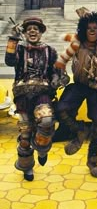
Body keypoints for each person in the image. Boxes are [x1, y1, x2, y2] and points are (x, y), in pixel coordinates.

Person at [54, 11, 97, 178]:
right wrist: (61, 74)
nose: (92, 31)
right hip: (79, 85)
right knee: (61, 108)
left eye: (95, 28)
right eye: (89, 28)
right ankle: (80, 131)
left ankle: (93, 159)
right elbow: (61, 61)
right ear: (83, 30)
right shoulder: (77, 44)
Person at [5, 17, 59, 181]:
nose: (33, 31)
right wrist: (13, 38)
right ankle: (27, 167)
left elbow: (56, 71)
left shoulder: (50, 51)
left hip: (43, 92)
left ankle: (42, 148)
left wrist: (57, 78)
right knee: (25, 135)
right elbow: (9, 61)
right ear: (25, 32)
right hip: (22, 95)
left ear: (41, 32)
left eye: (36, 28)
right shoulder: (19, 50)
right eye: (29, 29)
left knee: (46, 121)